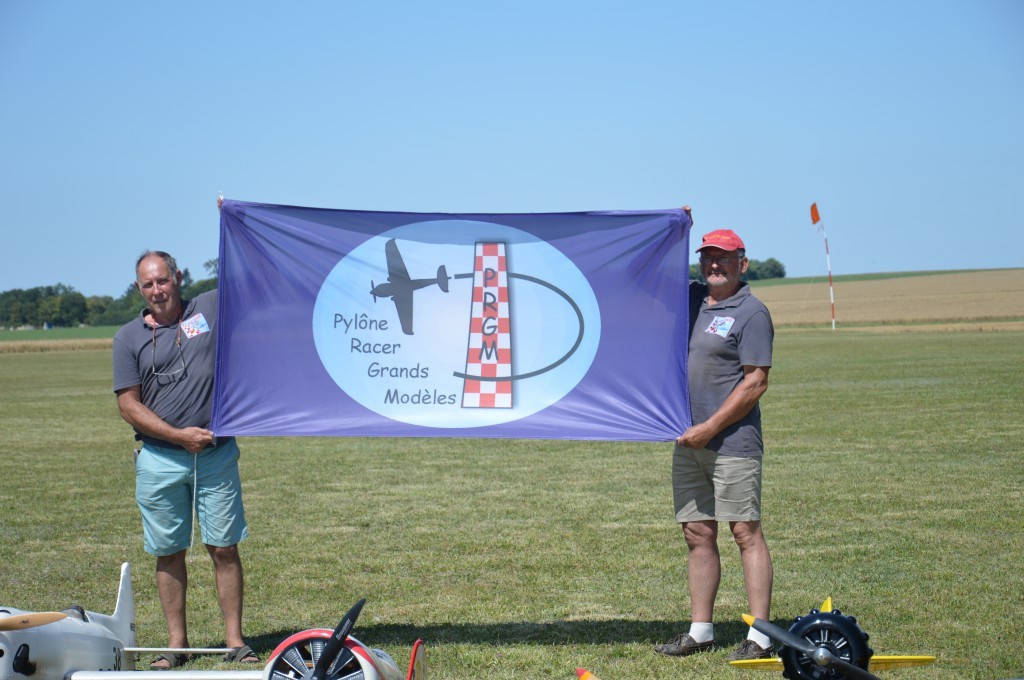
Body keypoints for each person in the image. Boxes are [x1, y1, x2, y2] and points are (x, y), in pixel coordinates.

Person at [113, 251, 258, 669]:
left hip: (216, 455)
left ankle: (235, 641)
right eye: (148, 284)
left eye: (163, 280)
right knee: (169, 552)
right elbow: (129, 406)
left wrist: (231, 220)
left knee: (224, 548)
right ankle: (178, 645)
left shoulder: (208, 308)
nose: (157, 290)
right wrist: (179, 436)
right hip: (160, 459)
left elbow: (246, 274)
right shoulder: (127, 338)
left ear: (177, 277)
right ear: (139, 289)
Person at [655, 223, 776, 662]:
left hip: (733, 443)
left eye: (724, 257)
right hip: (689, 442)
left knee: (745, 532)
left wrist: (710, 428)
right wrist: (671, 224)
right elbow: (647, 273)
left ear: (742, 263)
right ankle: (701, 631)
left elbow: (755, 383)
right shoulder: (690, 299)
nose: (714, 264)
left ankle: (760, 636)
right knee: (696, 532)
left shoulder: (752, 311)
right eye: (707, 256)